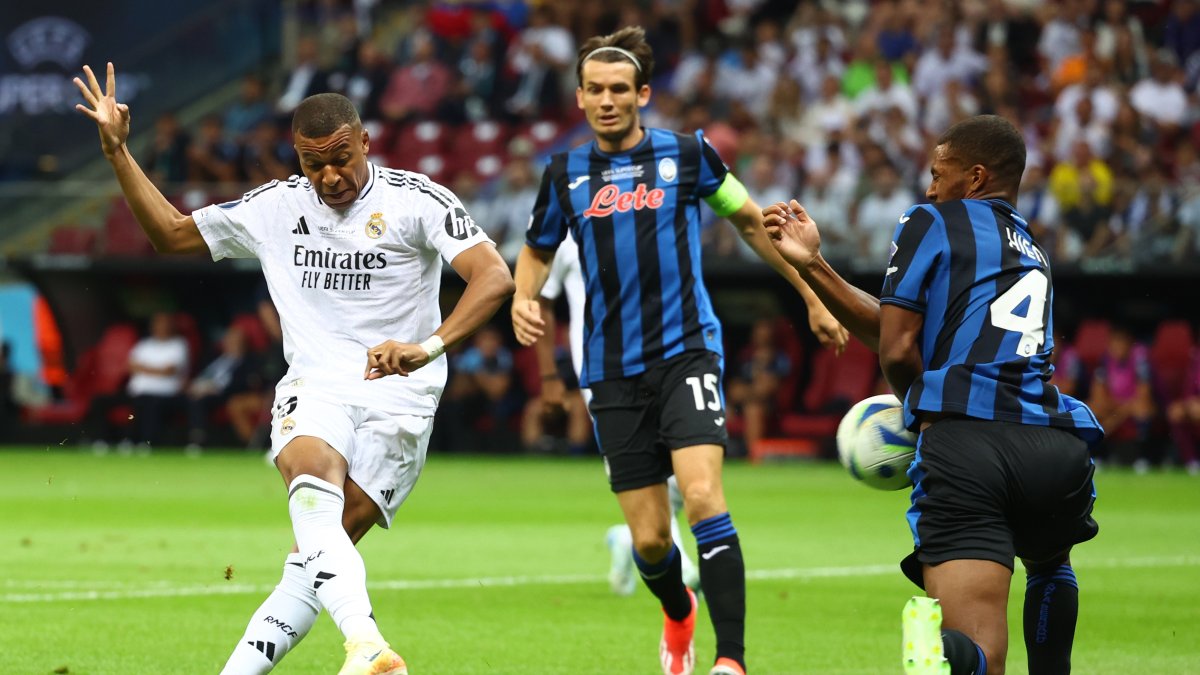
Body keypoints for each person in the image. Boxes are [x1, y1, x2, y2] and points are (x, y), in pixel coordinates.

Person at [75, 63, 514, 675]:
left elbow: (493, 275)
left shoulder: (416, 200)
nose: (330, 175)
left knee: (310, 563)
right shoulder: (275, 208)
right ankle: (365, 645)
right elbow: (172, 236)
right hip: (316, 385)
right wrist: (119, 152)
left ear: (364, 141)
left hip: (404, 396)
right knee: (311, 491)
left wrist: (429, 346)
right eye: (314, 164)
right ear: (297, 158)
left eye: (341, 158)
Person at [510, 27, 846, 675]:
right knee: (651, 540)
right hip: (609, 368)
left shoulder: (689, 157)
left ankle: (731, 660)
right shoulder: (564, 174)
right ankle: (677, 609)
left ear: (642, 93)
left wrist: (810, 293)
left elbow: (750, 219)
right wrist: (526, 297)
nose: (608, 101)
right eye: (595, 91)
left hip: (687, 351)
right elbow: (535, 251)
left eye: (619, 90)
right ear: (579, 98)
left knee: (702, 498)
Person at [763, 114, 1104, 675]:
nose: (928, 187)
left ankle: (945, 656)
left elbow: (897, 349)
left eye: (936, 173)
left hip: (969, 448)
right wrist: (816, 266)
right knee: (1049, 560)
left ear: (972, 178)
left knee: (979, 653)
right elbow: (909, 329)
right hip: (1055, 447)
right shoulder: (1031, 249)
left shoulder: (933, 220)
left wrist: (920, 412)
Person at [534, 231, 700, 595]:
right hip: (601, 369)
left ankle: (630, 537)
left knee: (682, 461)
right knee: (640, 465)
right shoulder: (563, 215)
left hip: (663, 357)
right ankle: (682, 566)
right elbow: (539, 297)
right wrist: (549, 375)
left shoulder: (646, 205)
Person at [126, 311, 190, 448]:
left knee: (150, 404)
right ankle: (104, 441)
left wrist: (142, 368)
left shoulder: (179, 344)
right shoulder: (144, 344)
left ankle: (147, 442)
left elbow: (168, 371)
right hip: (137, 392)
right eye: (158, 323)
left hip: (165, 393)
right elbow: (130, 366)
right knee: (101, 401)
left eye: (165, 323)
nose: (162, 327)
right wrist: (157, 369)